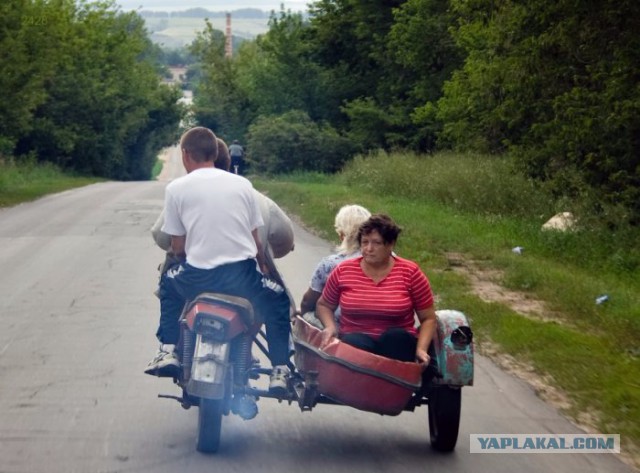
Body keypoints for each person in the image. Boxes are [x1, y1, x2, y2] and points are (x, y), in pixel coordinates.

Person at [145, 127, 292, 394]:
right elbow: (256, 243)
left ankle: (168, 351)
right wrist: (263, 267)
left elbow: (177, 247)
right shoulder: (243, 185)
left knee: (167, 283)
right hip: (242, 278)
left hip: (197, 277)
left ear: (185, 154)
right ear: (216, 153)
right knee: (278, 299)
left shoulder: (176, 188)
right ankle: (280, 369)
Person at [315, 214, 437, 367]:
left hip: (397, 349)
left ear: (391, 244)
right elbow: (324, 305)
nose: (368, 249)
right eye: (364, 242)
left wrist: (421, 349)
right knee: (354, 341)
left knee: (395, 337)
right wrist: (331, 327)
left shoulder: (410, 272)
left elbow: (429, 318)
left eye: (376, 243)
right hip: (355, 344)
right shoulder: (344, 270)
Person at [298, 204, 371, 316]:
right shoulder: (389, 258)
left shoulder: (330, 263)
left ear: (342, 235)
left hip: (342, 324)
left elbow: (308, 301)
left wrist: (301, 312)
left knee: (308, 316)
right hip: (386, 323)